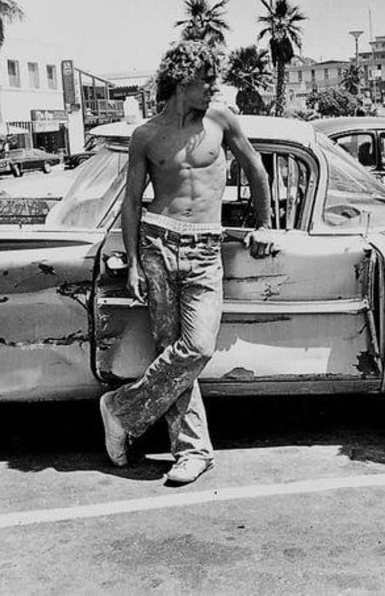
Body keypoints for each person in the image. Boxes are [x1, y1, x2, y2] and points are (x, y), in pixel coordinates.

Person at [98, 40, 275, 485]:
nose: (213, 87)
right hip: (159, 243)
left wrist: (265, 223)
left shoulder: (220, 119)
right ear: (182, 81)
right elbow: (131, 203)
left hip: (204, 248)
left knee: (195, 348)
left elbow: (256, 168)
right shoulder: (146, 135)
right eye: (206, 80)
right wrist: (135, 262)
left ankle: (122, 409)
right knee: (169, 348)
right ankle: (192, 451)